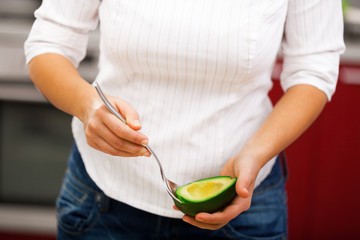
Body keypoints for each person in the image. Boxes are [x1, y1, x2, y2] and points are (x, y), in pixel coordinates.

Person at [24, 0, 345, 239]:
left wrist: (256, 154)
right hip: (102, 203)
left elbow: (314, 69)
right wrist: (87, 106)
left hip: (242, 211)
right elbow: (50, 42)